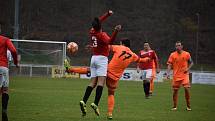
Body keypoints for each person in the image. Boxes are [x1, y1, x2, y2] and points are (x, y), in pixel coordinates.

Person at [64, 38, 150, 119]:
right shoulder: (133, 55)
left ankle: (71, 69)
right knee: (111, 94)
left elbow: (105, 47)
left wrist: (93, 47)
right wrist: (147, 59)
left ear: (122, 44)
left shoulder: (119, 47)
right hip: (115, 78)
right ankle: (109, 114)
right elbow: (141, 60)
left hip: (107, 71)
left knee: (91, 71)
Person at [79, 10, 121, 116]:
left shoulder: (92, 31)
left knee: (92, 82)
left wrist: (107, 14)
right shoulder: (102, 35)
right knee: (100, 82)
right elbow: (110, 42)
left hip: (93, 58)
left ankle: (84, 100)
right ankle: (95, 103)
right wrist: (116, 31)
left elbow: (99, 21)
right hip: (102, 59)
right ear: (100, 26)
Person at [166, 41, 194, 111]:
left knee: (186, 89)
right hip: (176, 76)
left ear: (182, 46)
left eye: (179, 45)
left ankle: (188, 105)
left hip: (185, 75)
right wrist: (168, 73)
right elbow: (169, 64)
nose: (177, 47)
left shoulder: (187, 54)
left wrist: (188, 69)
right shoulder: (172, 55)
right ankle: (174, 106)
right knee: (175, 91)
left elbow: (191, 63)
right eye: (176, 46)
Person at [0, 35, 18, 121]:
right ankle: (4, 111)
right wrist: (16, 62)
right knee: (5, 90)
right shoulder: (5, 39)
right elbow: (14, 50)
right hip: (2, 67)